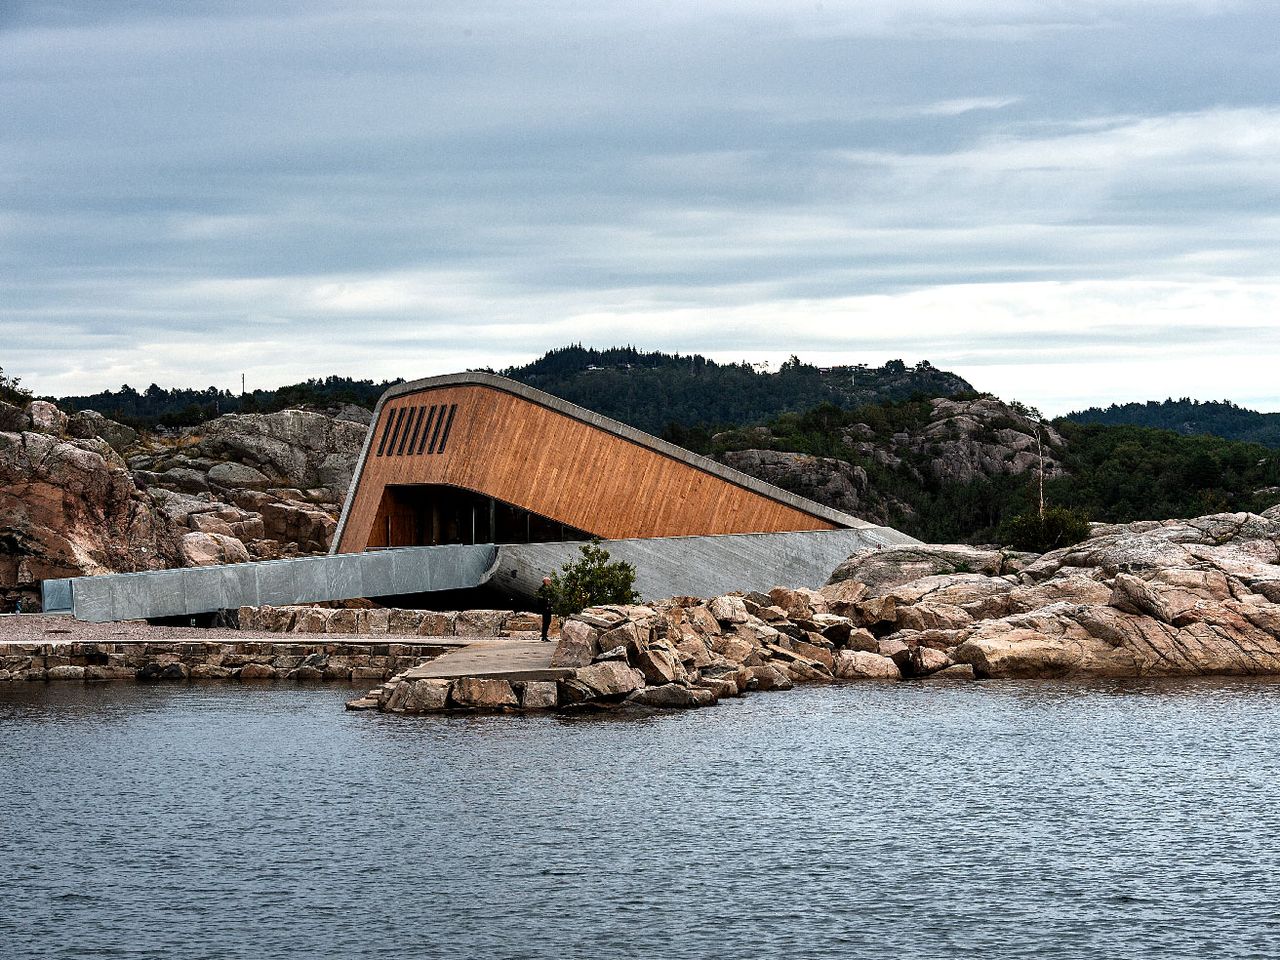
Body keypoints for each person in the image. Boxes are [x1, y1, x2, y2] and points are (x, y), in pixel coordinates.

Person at [537, 576, 553, 642]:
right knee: (546, 621)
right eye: (549, 581)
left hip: (548, 607)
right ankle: (544, 636)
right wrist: (545, 605)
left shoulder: (548, 588)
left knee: (548, 621)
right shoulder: (542, 589)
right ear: (545, 581)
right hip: (545, 607)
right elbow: (540, 599)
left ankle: (544, 635)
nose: (550, 582)